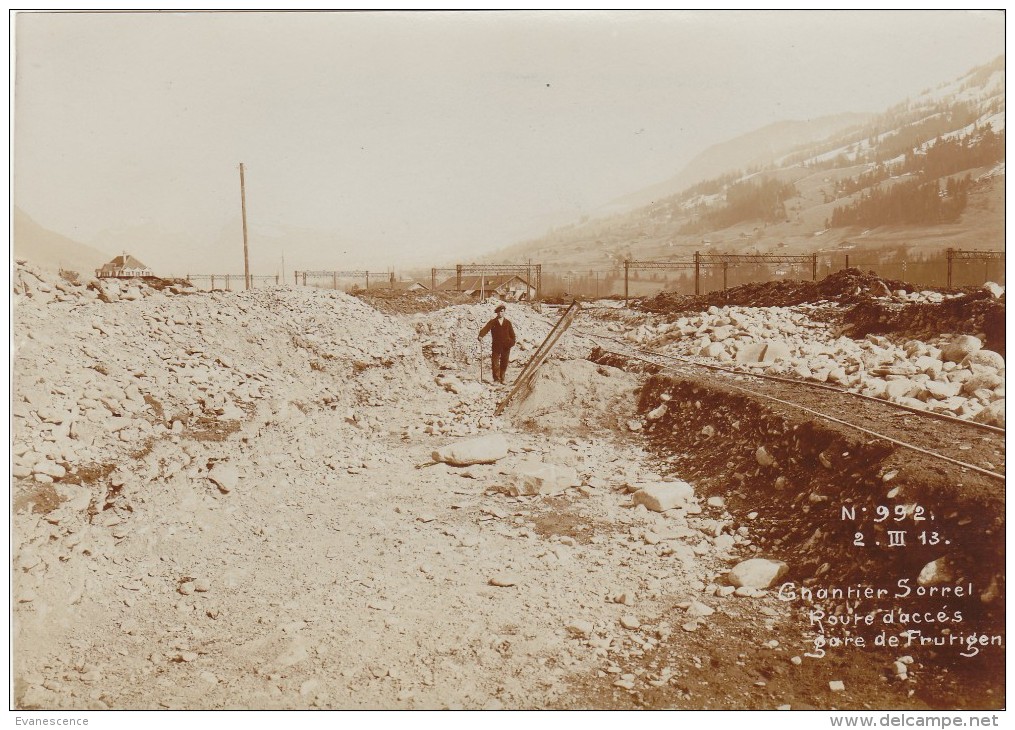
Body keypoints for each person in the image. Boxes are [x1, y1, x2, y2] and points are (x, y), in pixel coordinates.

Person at [478, 304, 516, 384]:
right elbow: (486, 328)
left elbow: (512, 335)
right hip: (496, 346)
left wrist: (511, 343)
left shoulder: (508, 323)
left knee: (504, 362)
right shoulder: (493, 322)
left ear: (504, 312)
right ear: (497, 313)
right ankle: (496, 379)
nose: (500, 313)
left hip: (506, 346)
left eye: (502, 311)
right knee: (495, 363)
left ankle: (502, 378)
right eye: (499, 312)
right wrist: (481, 335)